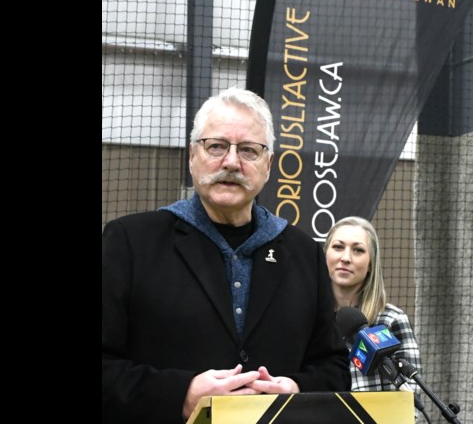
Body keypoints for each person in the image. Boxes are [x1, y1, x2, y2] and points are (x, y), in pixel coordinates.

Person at [102, 88, 350, 422]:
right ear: (192, 156)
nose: (231, 162)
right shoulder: (130, 243)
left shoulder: (305, 253)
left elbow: (333, 369)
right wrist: (182, 394)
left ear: (268, 165)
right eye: (216, 146)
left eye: (249, 150)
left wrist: (296, 391)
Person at [324, 216, 423, 400]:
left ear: (371, 264)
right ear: (325, 255)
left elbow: (410, 403)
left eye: (358, 250)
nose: (345, 258)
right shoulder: (308, 320)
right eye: (338, 247)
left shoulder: (391, 321)